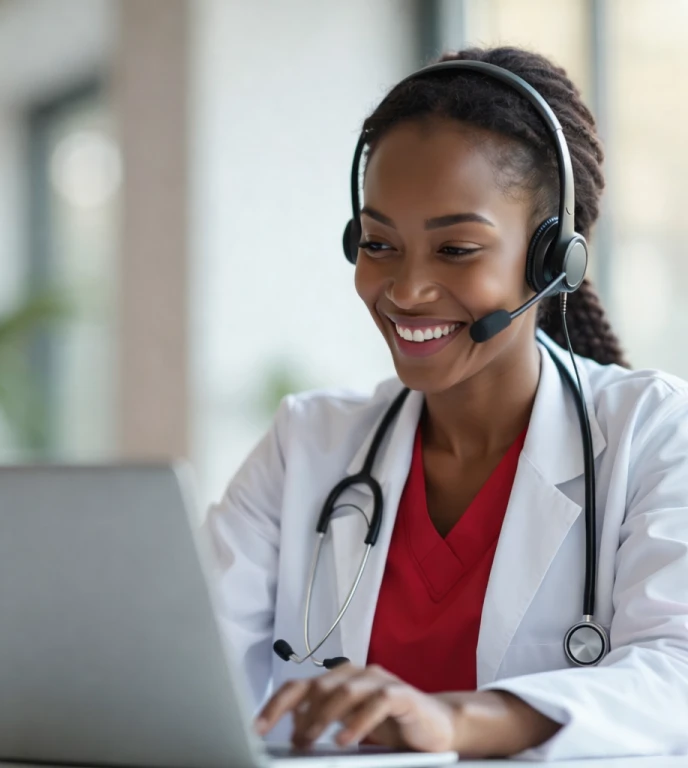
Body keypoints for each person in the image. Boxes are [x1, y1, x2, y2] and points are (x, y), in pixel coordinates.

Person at [202, 46, 688, 760]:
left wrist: (455, 722)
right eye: (379, 244)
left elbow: (677, 675)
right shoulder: (308, 440)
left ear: (555, 258)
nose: (405, 291)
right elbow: (189, 663)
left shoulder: (654, 431)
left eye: (456, 249)